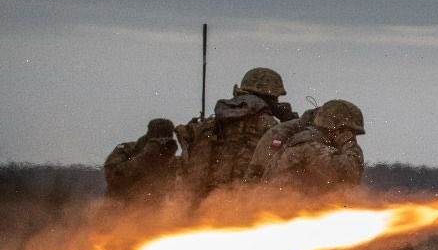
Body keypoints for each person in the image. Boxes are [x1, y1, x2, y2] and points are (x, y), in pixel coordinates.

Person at [176, 67, 297, 199]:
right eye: (276, 98)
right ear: (268, 97)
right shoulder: (268, 125)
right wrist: (290, 120)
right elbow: (292, 153)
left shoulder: (211, 122)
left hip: (203, 196)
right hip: (241, 196)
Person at [259, 99, 366, 193]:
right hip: (282, 211)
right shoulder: (311, 147)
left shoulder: (307, 141)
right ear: (339, 130)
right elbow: (350, 175)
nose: (353, 137)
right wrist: (349, 142)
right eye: (351, 132)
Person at [103, 118, 181, 203]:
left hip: (153, 213)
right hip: (120, 211)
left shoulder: (173, 164)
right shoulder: (126, 150)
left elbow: (183, 191)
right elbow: (114, 177)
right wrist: (145, 157)